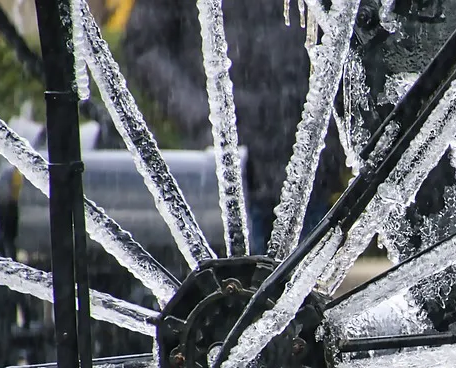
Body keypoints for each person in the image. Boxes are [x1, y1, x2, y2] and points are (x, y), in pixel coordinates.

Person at [122, 0, 344, 256]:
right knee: (233, 287)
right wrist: (202, 117)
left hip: (310, 159)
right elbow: (146, 48)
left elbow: (346, 34)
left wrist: (333, 130)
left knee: (308, 288)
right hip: (225, 164)